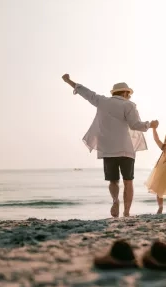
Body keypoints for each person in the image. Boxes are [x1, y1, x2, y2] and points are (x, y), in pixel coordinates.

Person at [61, 74, 157, 218]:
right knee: (128, 181)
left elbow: (85, 92)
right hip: (125, 149)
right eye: (128, 94)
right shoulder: (129, 105)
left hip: (107, 149)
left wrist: (69, 81)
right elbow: (135, 125)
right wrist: (150, 125)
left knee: (113, 180)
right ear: (125, 93)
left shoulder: (101, 101)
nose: (129, 97)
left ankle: (115, 200)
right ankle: (126, 212)